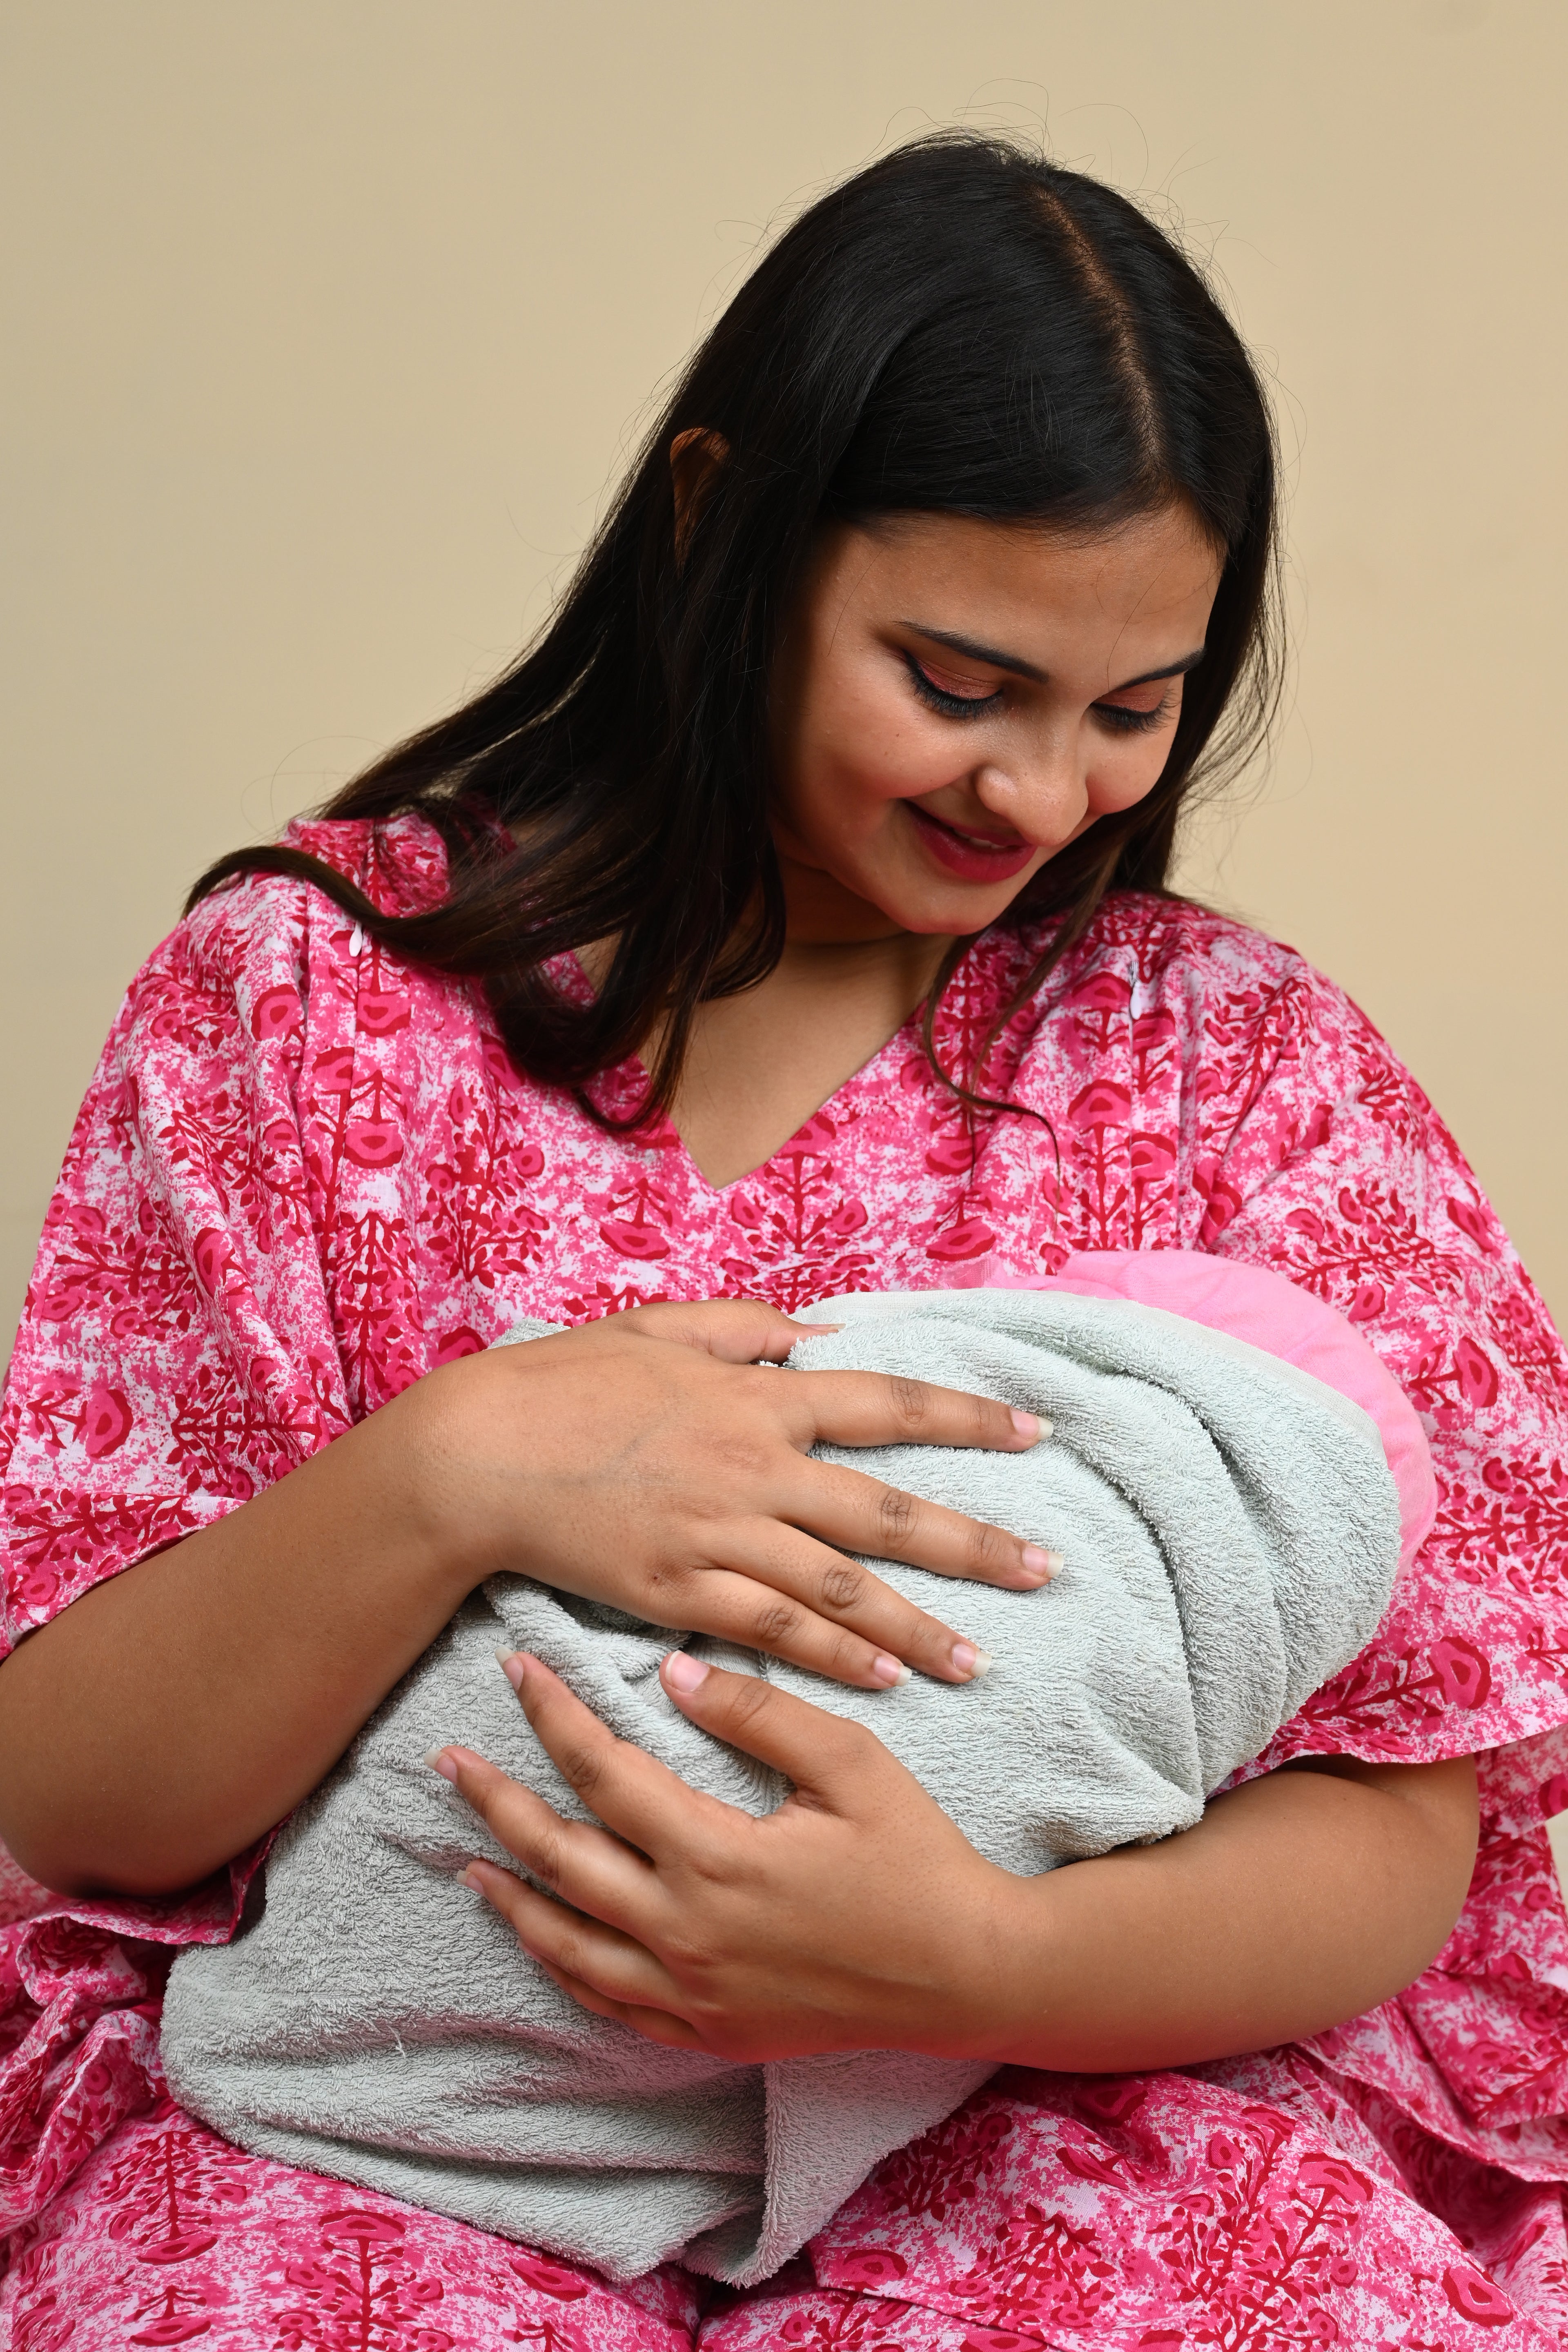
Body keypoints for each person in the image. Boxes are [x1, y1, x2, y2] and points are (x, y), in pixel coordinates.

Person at [0, 130, 1562, 2348]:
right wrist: (458, 1477)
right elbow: (68, 1795)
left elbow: (1412, 1830)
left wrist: (972, 1969)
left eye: (1134, 711)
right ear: (723, 516)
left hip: (1073, 2119)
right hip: (416, 2142)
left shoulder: (1244, 1076)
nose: (1042, 796)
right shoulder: (310, 1013)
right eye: (957, 680)